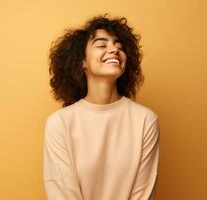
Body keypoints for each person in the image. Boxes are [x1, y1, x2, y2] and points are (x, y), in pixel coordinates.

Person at [43, 14, 160, 200]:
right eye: (101, 44)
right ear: (82, 62)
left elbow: (143, 195)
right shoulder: (59, 124)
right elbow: (62, 194)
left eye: (119, 46)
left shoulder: (145, 120)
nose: (114, 50)